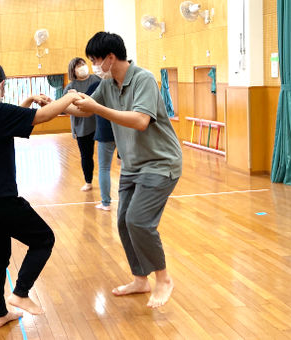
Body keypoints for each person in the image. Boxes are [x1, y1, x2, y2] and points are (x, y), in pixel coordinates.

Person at [65, 32, 182, 308]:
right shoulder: (109, 84)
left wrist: (97, 108)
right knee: (122, 222)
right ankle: (140, 279)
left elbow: (141, 121)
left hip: (160, 162)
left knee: (139, 221)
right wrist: (60, 105)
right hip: (132, 164)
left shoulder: (143, 79)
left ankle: (163, 279)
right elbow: (87, 109)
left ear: (110, 58)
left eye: (95, 60)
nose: (93, 66)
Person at [0, 62, 81, 328]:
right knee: (44, 239)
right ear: (1, 85)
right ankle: (20, 293)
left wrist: (28, 100)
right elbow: (41, 117)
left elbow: (8, 121)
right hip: (2, 202)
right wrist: (70, 95)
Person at [64, 57, 101, 191]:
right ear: (73, 70)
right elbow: (65, 106)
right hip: (82, 127)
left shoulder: (97, 80)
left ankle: (104, 181)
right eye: (78, 65)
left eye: (83, 64)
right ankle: (88, 181)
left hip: (99, 123)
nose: (82, 67)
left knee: (104, 155)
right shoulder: (70, 87)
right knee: (86, 155)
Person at [85, 80, 117, 211]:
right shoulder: (122, 82)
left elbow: (85, 104)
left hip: (106, 132)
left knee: (104, 168)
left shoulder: (96, 85)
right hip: (125, 129)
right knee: (130, 167)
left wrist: (74, 96)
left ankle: (106, 203)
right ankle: (131, 203)